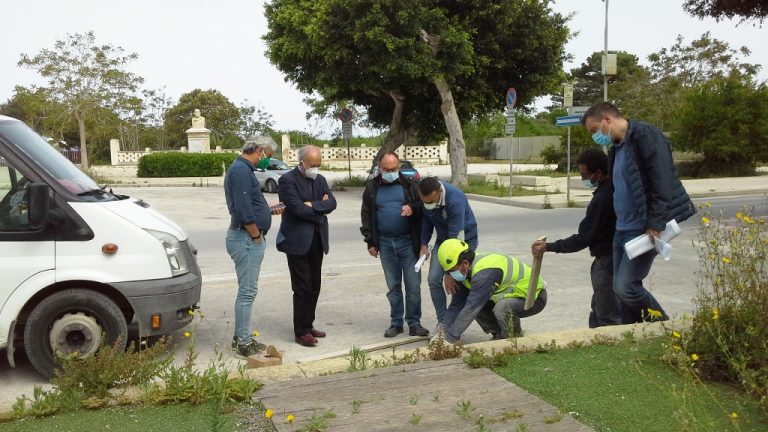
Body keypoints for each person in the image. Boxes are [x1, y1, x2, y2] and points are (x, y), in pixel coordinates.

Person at [581, 102, 696, 324]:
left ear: (607, 119)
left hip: (643, 227)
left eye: (594, 130)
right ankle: (629, 334)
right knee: (619, 289)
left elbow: (661, 181)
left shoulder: (645, 135)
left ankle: (664, 326)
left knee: (626, 287)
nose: (595, 136)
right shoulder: (616, 148)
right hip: (622, 228)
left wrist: (656, 222)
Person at [531, 148, 620, 328]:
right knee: (599, 308)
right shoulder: (613, 188)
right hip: (610, 257)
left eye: (585, 175)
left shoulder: (604, 198)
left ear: (598, 173)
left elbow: (584, 237)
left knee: (606, 314)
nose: (583, 179)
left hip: (608, 260)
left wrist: (550, 247)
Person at [360, 152, 429, 338]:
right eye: (386, 169)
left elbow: (424, 209)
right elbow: (366, 215)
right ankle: (396, 323)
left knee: (413, 286)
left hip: (408, 242)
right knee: (393, 286)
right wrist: (370, 242)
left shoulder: (410, 185)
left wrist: (413, 208)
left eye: (393, 169)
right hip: (385, 243)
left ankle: (414, 323)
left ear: (398, 167)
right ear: (380, 168)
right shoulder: (372, 187)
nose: (390, 172)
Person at [224, 137, 282, 358]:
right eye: (267, 155)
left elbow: (249, 203)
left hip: (247, 236)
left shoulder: (243, 169)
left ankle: (242, 336)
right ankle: (243, 343)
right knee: (247, 292)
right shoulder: (240, 170)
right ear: (259, 150)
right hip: (246, 237)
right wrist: (256, 235)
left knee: (248, 291)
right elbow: (242, 209)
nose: (267, 159)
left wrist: (268, 210)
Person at [276, 145, 337, 346]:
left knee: (315, 286)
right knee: (302, 287)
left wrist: (314, 204)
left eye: (318, 165)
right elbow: (297, 209)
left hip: (317, 239)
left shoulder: (320, 180)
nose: (315, 168)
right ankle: (300, 331)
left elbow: (333, 203)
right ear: (301, 162)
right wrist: (319, 205)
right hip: (297, 241)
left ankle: (309, 324)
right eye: (312, 165)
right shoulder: (287, 181)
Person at [435, 239, 546, 343]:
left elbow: (471, 308)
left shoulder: (484, 274)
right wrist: (443, 332)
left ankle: (514, 341)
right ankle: (499, 336)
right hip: (511, 295)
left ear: (464, 263)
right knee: (478, 303)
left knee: (501, 308)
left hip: (533, 297)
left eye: (452, 271)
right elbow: (457, 304)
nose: (451, 274)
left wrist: (450, 339)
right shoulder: (465, 270)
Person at [418, 177, 478, 328]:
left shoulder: (454, 200)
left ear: (439, 192)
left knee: (457, 282)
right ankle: (443, 321)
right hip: (443, 240)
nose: (428, 204)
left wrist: (448, 272)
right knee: (433, 280)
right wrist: (424, 244)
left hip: (462, 241)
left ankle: (454, 324)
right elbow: (426, 220)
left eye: (431, 201)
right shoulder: (427, 197)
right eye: (425, 202)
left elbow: (455, 240)